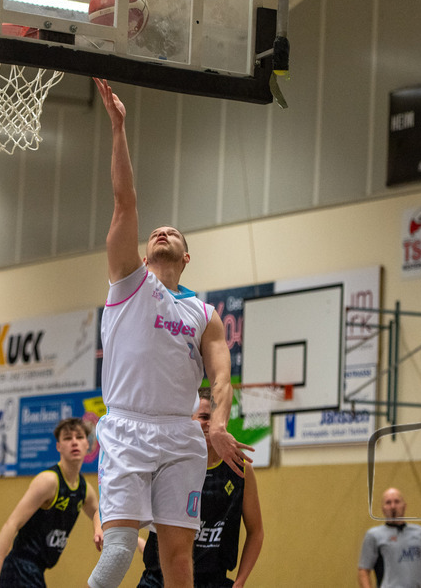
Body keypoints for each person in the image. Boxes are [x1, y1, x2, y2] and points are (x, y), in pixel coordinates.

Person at [88, 78, 251, 588]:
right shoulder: (128, 281)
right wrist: (118, 130)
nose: (160, 231)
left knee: (178, 560)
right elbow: (124, 201)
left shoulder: (205, 314)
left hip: (182, 434)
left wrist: (219, 423)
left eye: (172, 233)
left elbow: (221, 377)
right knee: (117, 552)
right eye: (155, 230)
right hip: (128, 427)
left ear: (186, 256)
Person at [138, 388, 264, 588]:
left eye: (217, 419)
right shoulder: (168, 463)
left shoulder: (240, 469)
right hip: (159, 580)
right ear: (189, 420)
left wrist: (240, 582)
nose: (211, 425)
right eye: (204, 417)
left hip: (213, 580)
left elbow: (256, 532)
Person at [0, 417, 103, 587]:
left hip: (37, 571)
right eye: (67, 438)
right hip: (19, 568)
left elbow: (99, 512)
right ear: (58, 446)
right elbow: (12, 523)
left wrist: (99, 528)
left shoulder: (84, 489)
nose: (74, 442)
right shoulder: (48, 481)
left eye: (79, 437)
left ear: (87, 444)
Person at [357, 487, 421, 588]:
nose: (393, 506)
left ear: (404, 506)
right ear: (383, 509)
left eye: (397, 502)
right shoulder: (374, 536)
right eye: (388, 503)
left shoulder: (419, 533)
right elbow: (363, 571)